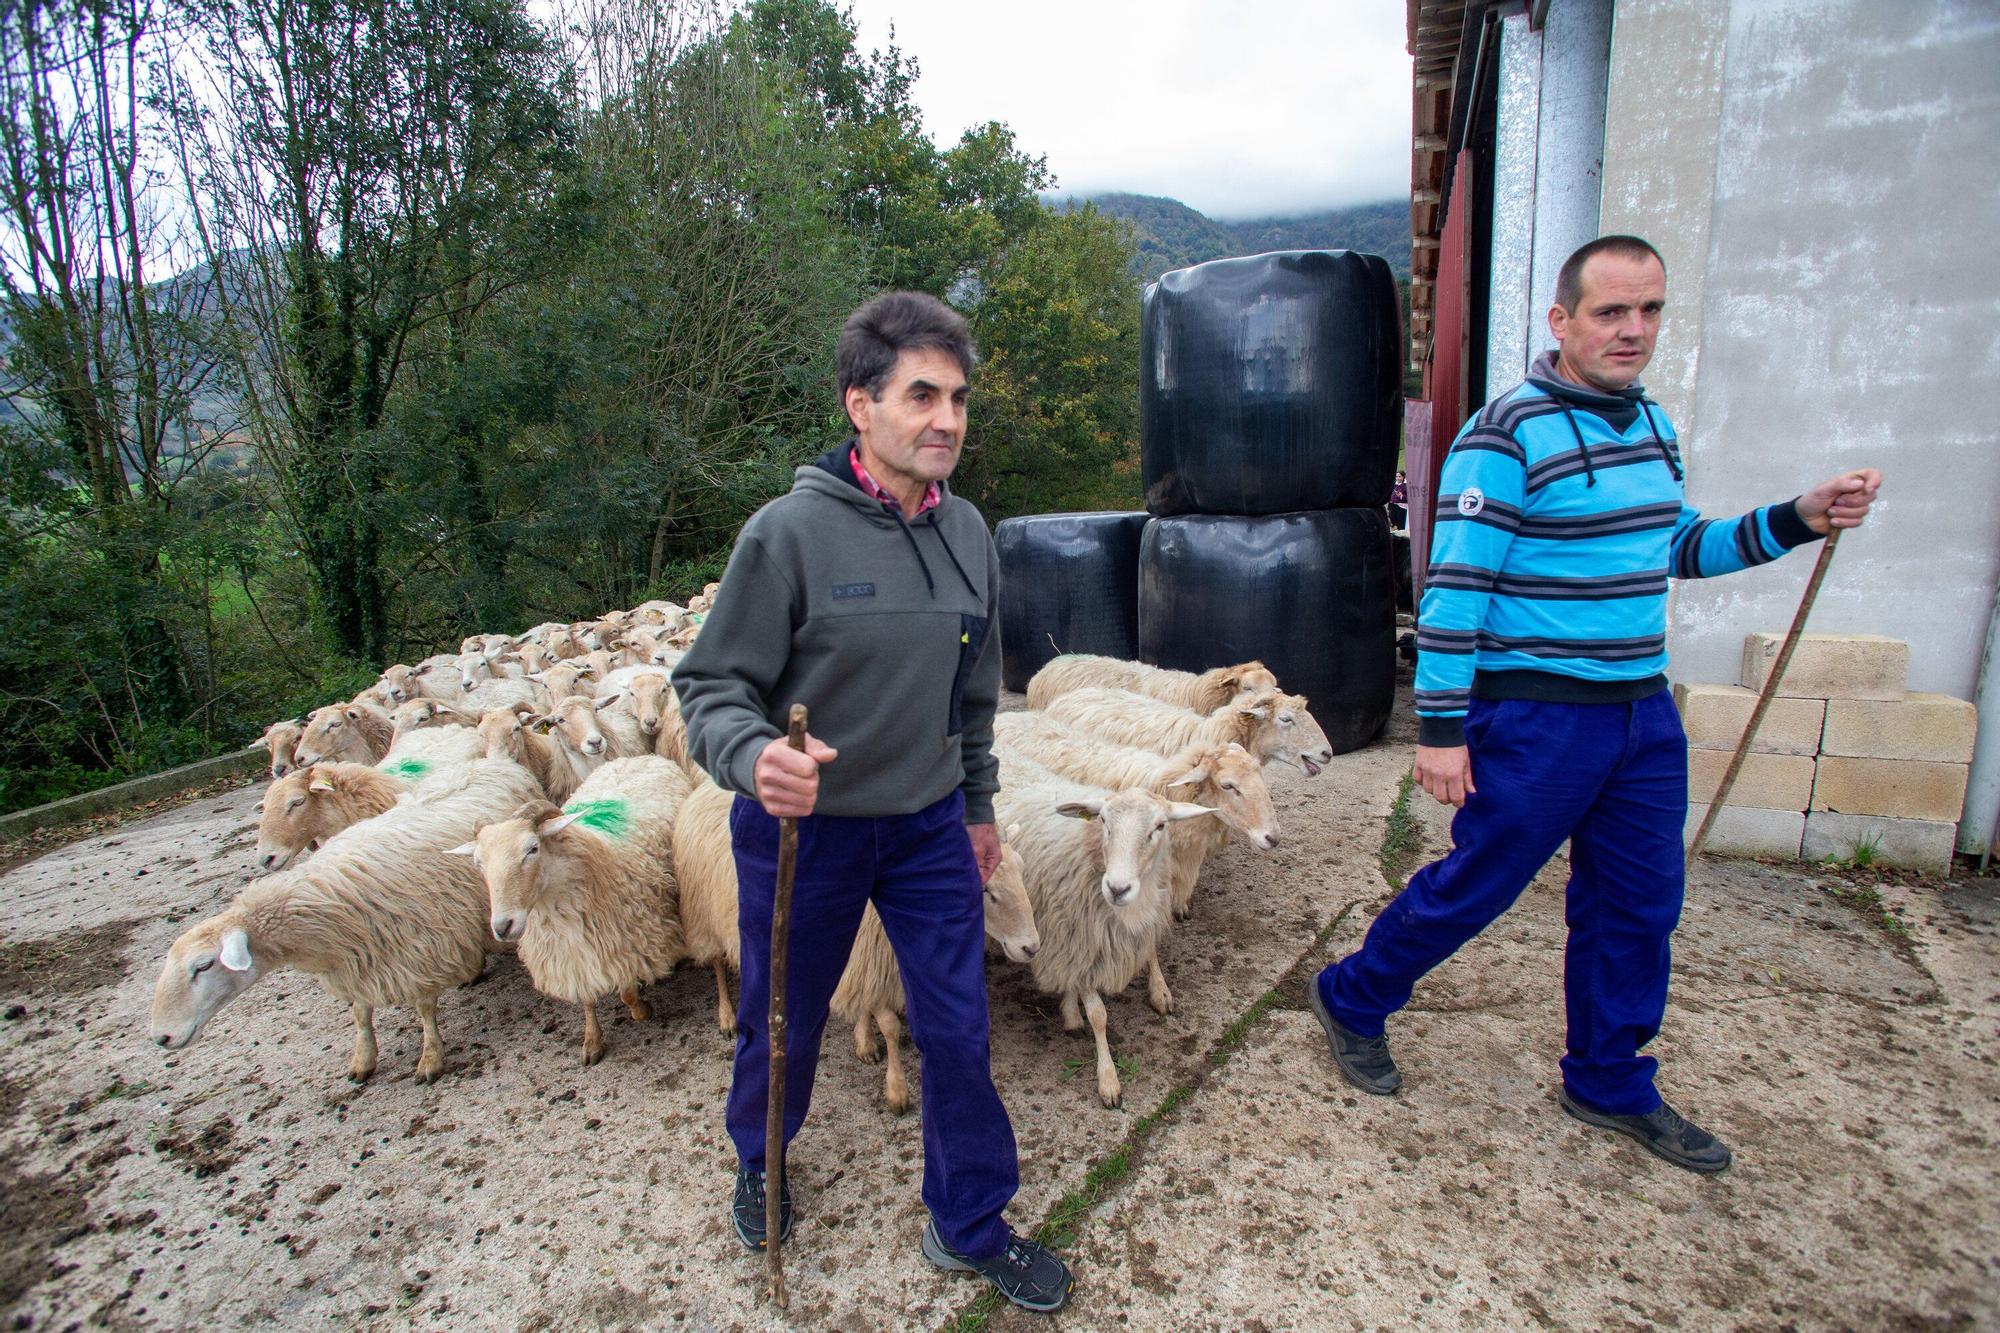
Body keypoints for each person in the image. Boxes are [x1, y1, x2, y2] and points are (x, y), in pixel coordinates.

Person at [1308, 235, 1881, 1175]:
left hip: (1641, 715)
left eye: (1649, 310)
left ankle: (1608, 1078)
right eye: (1612, 311)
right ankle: (1355, 992)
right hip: (1538, 719)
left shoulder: (1651, 426)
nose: (1634, 330)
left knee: (1640, 903)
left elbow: (1679, 547)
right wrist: (1441, 733)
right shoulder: (1506, 434)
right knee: (1480, 886)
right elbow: (1455, 590)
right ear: (1561, 321)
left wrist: (1799, 516)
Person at [673, 291, 1073, 1314]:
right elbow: (710, 685)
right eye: (920, 396)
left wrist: (978, 807)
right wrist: (754, 753)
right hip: (805, 833)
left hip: (929, 825)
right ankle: (761, 1157)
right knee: (786, 1016)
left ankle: (968, 1219)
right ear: (860, 405)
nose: (946, 419)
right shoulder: (788, 535)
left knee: (957, 1025)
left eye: (958, 398)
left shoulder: (970, 532)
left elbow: (970, 690)